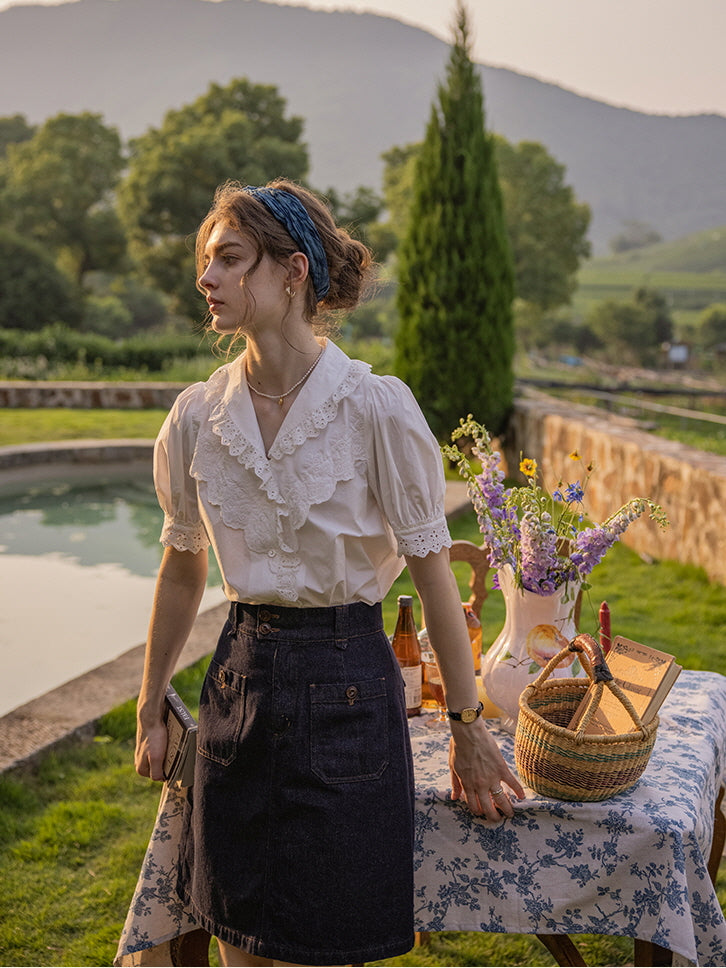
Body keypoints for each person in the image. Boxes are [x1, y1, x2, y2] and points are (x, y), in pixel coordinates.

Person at [134, 178, 524, 968]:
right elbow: (182, 570)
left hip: (348, 688)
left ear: (292, 272)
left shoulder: (373, 409)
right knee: (240, 944)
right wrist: (149, 703)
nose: (205, 280)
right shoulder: (194, 420)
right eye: (206, 262)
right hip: (237, 690)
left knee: (330, 947)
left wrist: (468, 727)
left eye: (228, 260)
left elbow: (433, 572)